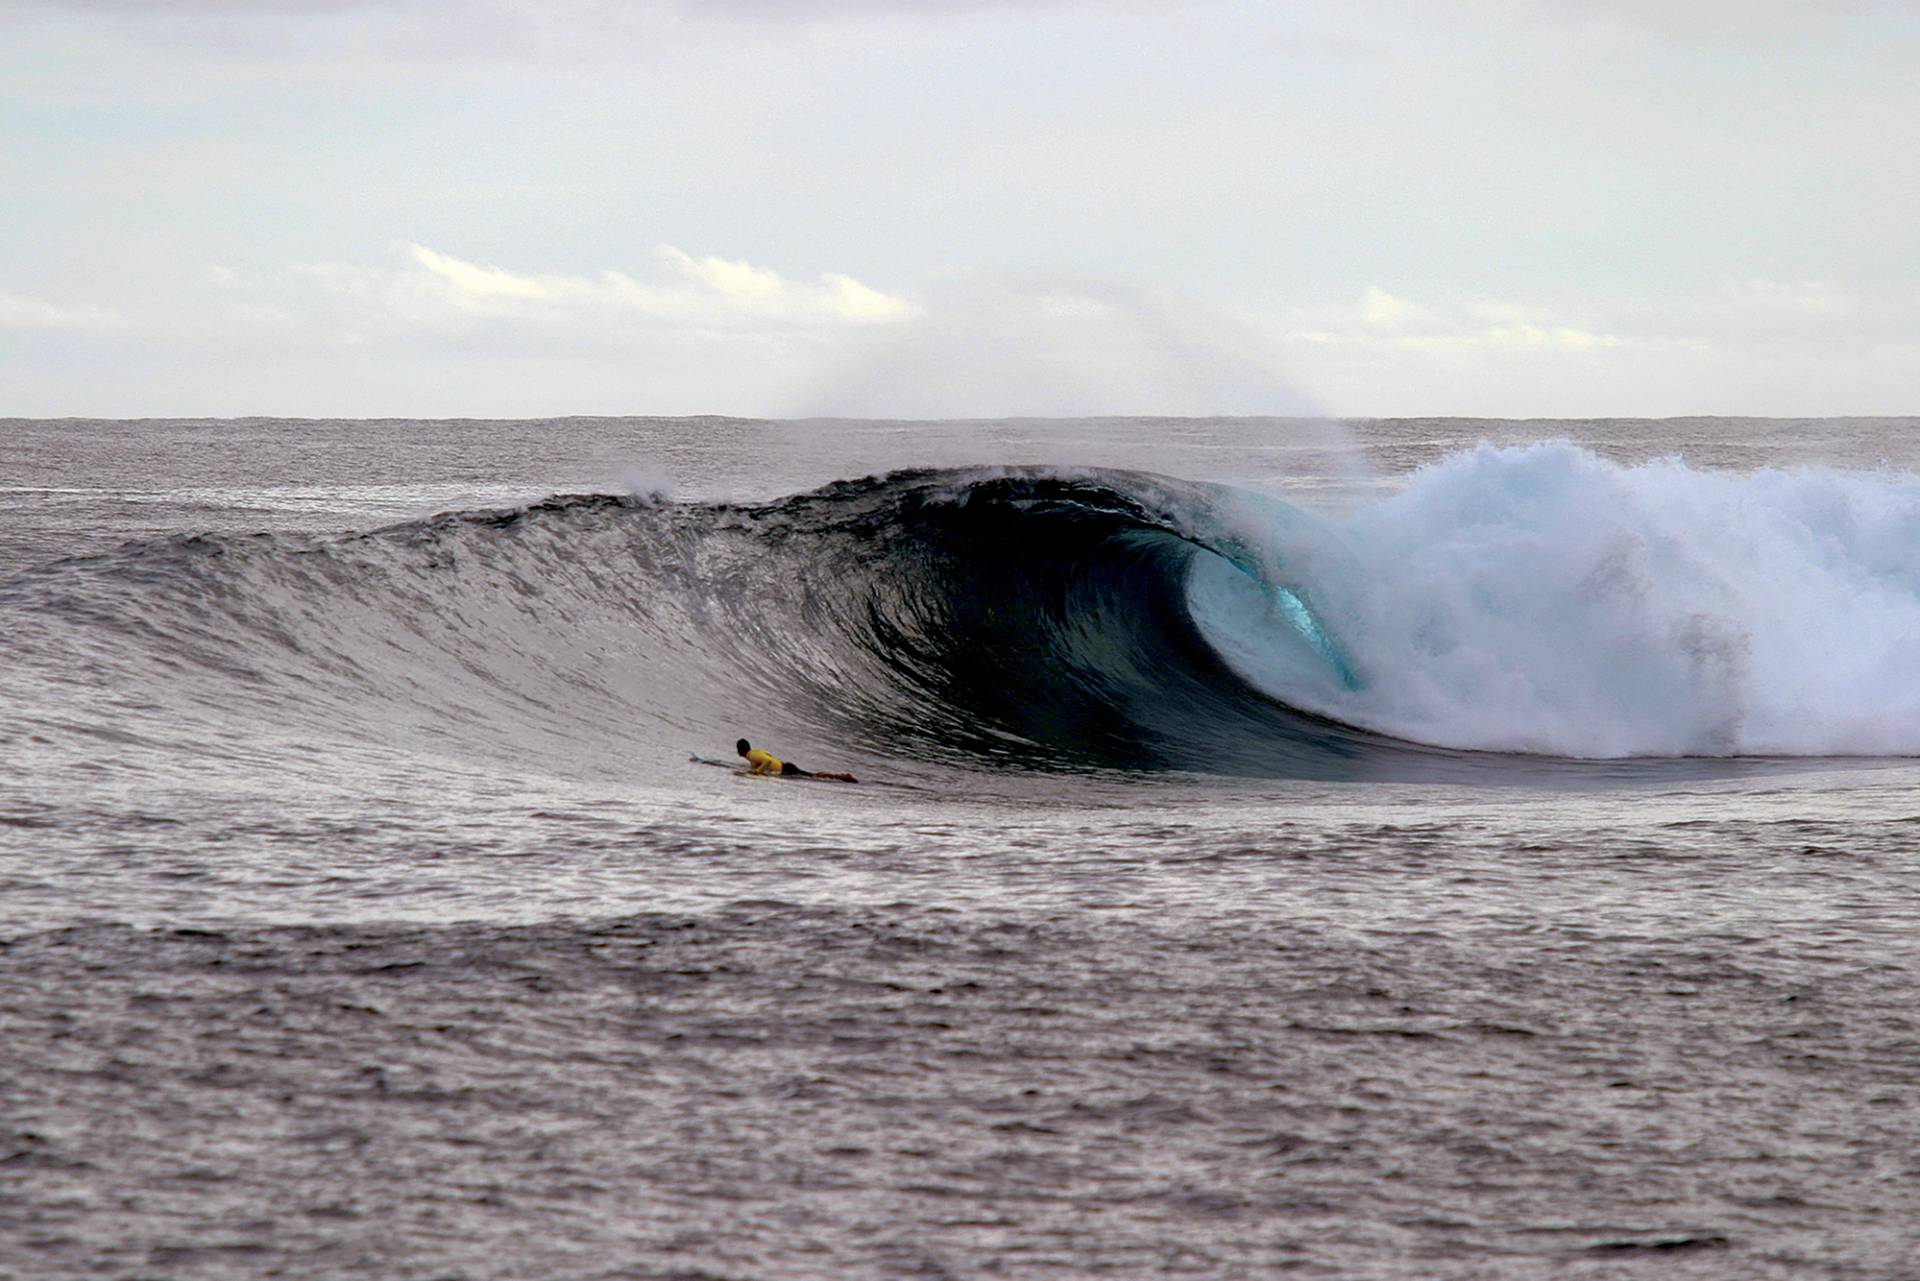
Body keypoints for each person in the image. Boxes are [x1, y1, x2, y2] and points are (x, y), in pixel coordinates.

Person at [735, 738, 857, 783]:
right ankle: (841, 776)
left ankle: (843, 777)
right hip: (786, 767)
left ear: (740, 750)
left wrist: (758, 772)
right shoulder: (754, 753)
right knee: (813, 775)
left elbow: (767, 761)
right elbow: (769, 755)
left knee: (814, 777)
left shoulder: (752, 756)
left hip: (787, 770)